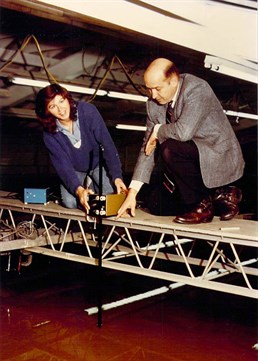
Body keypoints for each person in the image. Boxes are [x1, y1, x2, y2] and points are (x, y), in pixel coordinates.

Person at [117, 58, 244, 224]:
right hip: (190, 155)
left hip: (217, 154)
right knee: (156, 205)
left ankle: (204, 205)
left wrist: (157, 130)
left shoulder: (197, 89)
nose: (153, 95)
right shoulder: (153, 103)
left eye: (157, 88)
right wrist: (132, 193)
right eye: (149, 89)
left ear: (174, 81)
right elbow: (147, 147)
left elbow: (183, 132)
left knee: (169, 148)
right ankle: (219, 196)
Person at [35, 83, 127, 212]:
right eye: (52, 106)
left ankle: (92, 186)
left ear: (67, 98)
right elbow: (63, 166)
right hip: (74, 169)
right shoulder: (49, 134)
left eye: (61, 101)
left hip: (96, 164)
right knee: (70, 203)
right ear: (47, 111)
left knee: (110, 198)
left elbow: (107, 145)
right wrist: (79, 190)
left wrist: (117, 177)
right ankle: (87, 189)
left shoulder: (88, 111)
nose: (61, 109)